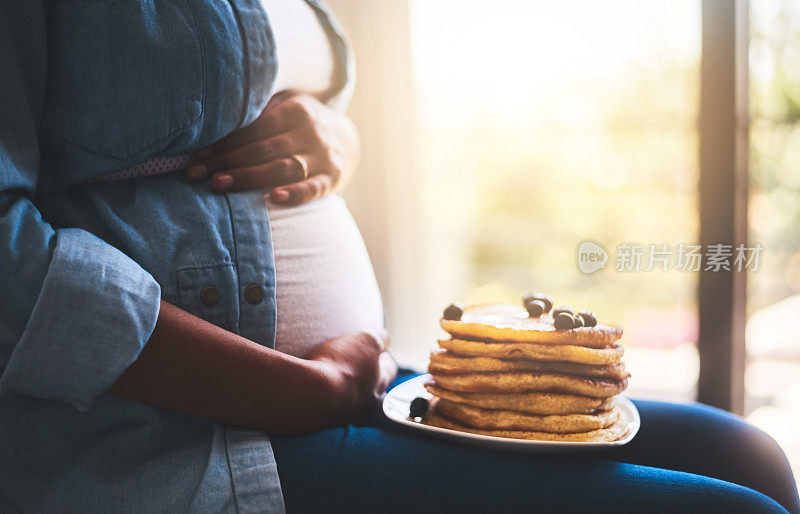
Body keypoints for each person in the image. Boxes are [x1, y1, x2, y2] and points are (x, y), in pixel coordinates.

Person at [0, 2, 796, 513]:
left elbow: (261, 98)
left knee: (746, 453)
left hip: (344, 388)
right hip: (176, 431)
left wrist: (333, 137)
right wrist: (290, 392)